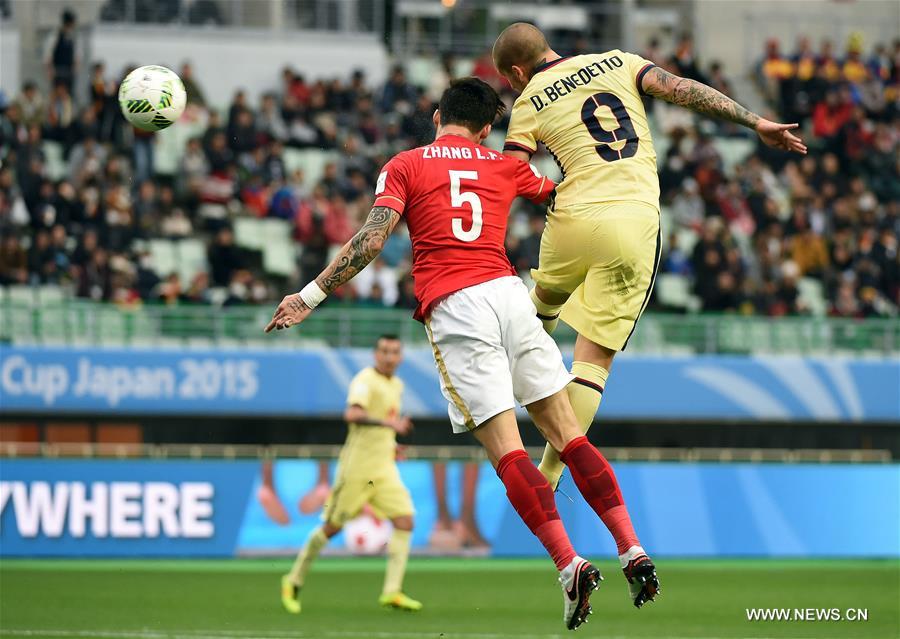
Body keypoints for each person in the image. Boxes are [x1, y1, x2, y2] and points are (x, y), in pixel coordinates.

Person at [267, 78, 654, 629]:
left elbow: (373, 240)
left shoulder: (406, 165)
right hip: (510, 295)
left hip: (456, 305)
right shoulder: (505, 166)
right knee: (569, 435)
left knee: (507, 451)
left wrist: (309, 296)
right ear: (487, 127)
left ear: (435, 116)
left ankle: (569, 565)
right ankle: (630, 545)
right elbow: (563, 194)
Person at [492, 22, 806, 605]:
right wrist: (754, 121)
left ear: (513, 73)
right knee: (593, 363)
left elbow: (513, 175)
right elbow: (686, 89)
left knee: (538, 318)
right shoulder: (617, 60)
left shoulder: (530, 101)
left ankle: (522, 365)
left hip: (572, 214)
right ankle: (552, 474)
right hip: (635, 219)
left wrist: (535, 197)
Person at [280, 335, 421, 614]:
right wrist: (388, 423)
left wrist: (393, 445)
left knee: (405, 520)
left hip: (383, 470)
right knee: (332, 527)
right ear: (375, 354)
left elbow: (383, 429)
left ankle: (392, 591)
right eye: (384, 351)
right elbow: (353, 415)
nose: (389, 357)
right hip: (357, 470)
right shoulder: (365, 380)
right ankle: (293, 579)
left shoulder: (397, 385)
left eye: (394, 352)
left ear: (401, 357)